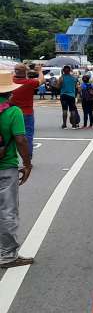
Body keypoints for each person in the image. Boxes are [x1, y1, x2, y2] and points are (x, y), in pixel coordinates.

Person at [0, 72, 33, 268]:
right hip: (6, 167)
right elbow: (21, 140)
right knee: (7, 211)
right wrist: (27, 164)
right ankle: (7, 255)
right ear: (10, 93)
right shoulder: (13, 112)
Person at [10, 63, 43, 158]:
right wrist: (39, 70)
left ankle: (11, 156)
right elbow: (41, 80)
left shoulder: (10, 81)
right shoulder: (30, 82)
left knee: (11, 136)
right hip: (27, 113)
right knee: (28, 135)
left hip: (12, 113)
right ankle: (27, 158)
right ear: (25, 72)